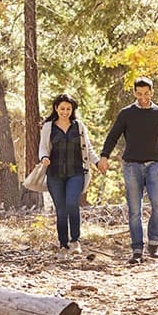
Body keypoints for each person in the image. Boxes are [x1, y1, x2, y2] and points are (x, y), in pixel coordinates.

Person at [97, 77, 158, 264]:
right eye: (139, 93)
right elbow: (113, 136)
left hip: (153, 164)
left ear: (151, 92)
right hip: (132, 166)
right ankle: (137, 249)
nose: (143, 97)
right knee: (134, 209)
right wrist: (104, 156)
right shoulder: (126, 113)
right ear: (135, 93)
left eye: (146, 93)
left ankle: (154, 243)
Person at [39, 93, 100, 259]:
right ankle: (63, 244)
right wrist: (44, 158)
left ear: (72, 110)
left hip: (76, 173)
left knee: (72, 203)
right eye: (62, 108)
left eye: (68, 108)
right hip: (55, 174)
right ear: (56, 108)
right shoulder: (48, 126)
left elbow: (88, 149)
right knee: (61, 210)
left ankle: (75, 241)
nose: (65, 111)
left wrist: (97, 162)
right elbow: (43, 148)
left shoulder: (78, 126)